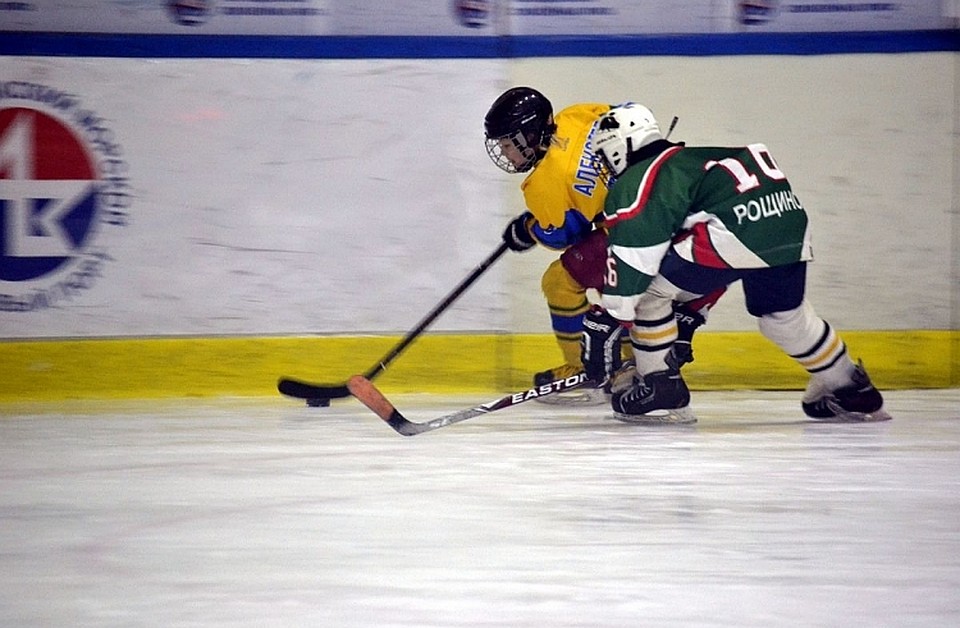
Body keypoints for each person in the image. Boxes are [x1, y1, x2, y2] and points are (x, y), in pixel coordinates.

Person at [586, 102, 890, 424]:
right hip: (786, 224)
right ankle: (849, 385)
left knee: (647, 295)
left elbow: (635, 269)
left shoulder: (641, 178)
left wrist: (609, 318)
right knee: (783, 320)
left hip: (736, 232)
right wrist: (690, 313)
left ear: (620, 146)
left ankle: (660, 387)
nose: (605, 167)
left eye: (604, 156)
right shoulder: (693, 161)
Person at [483, 87, 721, 398]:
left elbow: (568, 236)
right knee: (615, 282)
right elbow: (625, 119)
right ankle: (628, 357)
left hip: (635, 229)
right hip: (674, 205)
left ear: (528, 136)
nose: (505, 154)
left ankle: (580, 368)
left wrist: (530, 230)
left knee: (560, 281)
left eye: (507, 144)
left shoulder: (540, 185)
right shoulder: (574, 115)